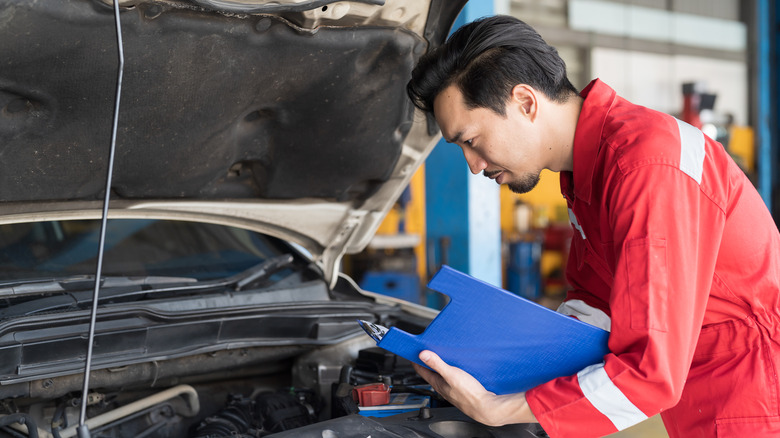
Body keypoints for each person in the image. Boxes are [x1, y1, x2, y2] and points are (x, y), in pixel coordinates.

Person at [406, 14, 780, 437]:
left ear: (526, 102)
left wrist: (501, 409)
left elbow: (649, 374)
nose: (473, 166)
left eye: (471, 141)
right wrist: (502, 366)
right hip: (708, 395)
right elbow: (594, 306)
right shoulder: (590, 171)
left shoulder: (645, 167)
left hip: (754, 397)